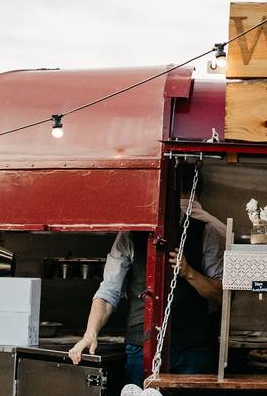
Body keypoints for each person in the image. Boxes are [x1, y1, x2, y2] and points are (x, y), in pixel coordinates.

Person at [68, 163, 226, 382]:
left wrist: (190, 273)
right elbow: (108, 292)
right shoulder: (130, 235)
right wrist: (90, 333)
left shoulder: (205, 231)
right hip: (141, 345)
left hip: (193, 348)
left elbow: (221, 295)